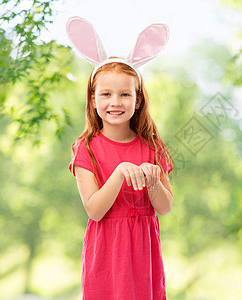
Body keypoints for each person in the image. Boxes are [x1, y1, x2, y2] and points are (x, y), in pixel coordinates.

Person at [66, 17, 173, 299]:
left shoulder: (153, 147)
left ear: (137, 100)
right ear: (93, 99)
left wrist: (152, 182)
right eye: (106, 94)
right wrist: (120, 172)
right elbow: (95, 210)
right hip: (107, 257)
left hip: (144, 257)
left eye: (125, 94)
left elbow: (165, 207)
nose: (116, 102)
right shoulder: (86, 148)